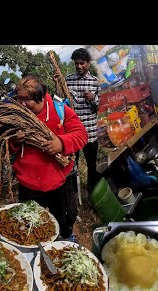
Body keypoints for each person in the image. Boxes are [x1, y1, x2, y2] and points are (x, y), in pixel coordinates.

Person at [10, 75, 88, 241]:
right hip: (28, 183)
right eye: (19, 99)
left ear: (40, 97)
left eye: (26, 100)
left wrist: (61, 143)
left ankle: (65, 239)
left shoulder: (60, 111)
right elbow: (7, 146)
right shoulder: (17, 116)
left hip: (59, 181)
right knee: (29, 222)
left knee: (65, 218)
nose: (22, 104)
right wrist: (15, 140)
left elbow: (81, 135)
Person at [61, 48, 101, 195]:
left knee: (91, 164)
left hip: (90, 131)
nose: (79, 66)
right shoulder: (67, 80)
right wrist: (59, 84)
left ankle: (92, 192)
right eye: (76, 64)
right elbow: (62, 102)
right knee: (73, 164)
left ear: (88, 63)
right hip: (73, 132)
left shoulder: (95, 82)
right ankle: (73, 193)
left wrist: (94, 99)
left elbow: (98, 106)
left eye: (82, 63)